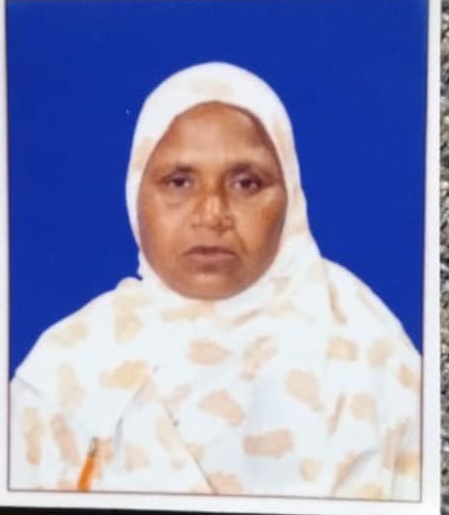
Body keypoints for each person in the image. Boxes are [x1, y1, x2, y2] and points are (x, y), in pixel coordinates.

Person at [10, 62, 421, 500]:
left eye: (247, 183)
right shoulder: (65, 369)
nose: (212, 214)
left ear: (291, 195)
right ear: (135, 193)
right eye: (179, 182)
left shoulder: (371, 356)